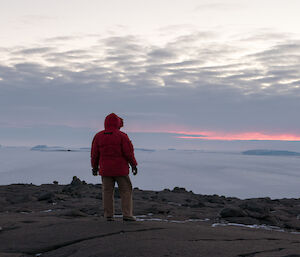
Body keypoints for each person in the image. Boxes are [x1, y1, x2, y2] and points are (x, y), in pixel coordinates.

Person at [91, 113, 138, 221]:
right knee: (126, 190)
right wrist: (134, 165)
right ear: (117, 123)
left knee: (107, 191)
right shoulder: (122, 136)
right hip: (121, 170)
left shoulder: (98, 136)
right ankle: (127, 215)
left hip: (105, 170)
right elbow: (129, 153)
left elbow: (94, 154)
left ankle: (108, 215)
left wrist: (94, 167)